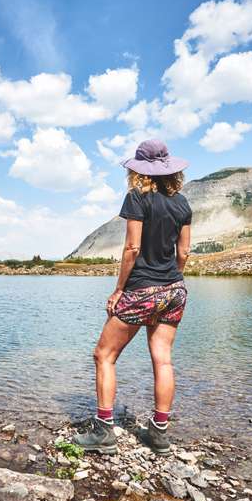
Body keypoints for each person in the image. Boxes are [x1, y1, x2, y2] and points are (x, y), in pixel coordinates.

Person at [73, 139, 192, 456]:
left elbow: (132, 249)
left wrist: (119, 289)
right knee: (163, 359)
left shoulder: (137, 199)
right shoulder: (182, 204)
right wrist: (171, 277)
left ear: (138, 170)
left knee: (104, 355)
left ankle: (103, 431)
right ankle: (159, 433)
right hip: (175, 291)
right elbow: (184, 252)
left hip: (141, 289)